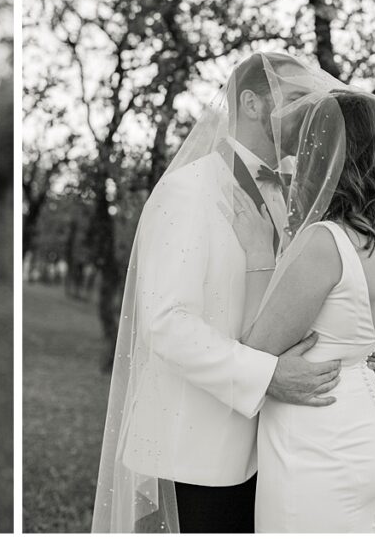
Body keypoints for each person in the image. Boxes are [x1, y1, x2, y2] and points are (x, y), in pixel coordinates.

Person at [93, 52, 352, 533]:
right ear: (252, 104)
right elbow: (166, 323)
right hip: (198, 450)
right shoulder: (189, 192)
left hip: (269, 448)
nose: (311, 110)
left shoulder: (290, 198)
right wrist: (268, 375)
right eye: (297, 98)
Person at [234, 90, 375, 532]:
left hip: (316, 443)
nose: (303, 154)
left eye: (312, 142)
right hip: (367, 431)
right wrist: (369, 350)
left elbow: (257, 353)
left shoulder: (326, 241)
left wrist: (259, 254)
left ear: (335, 151)